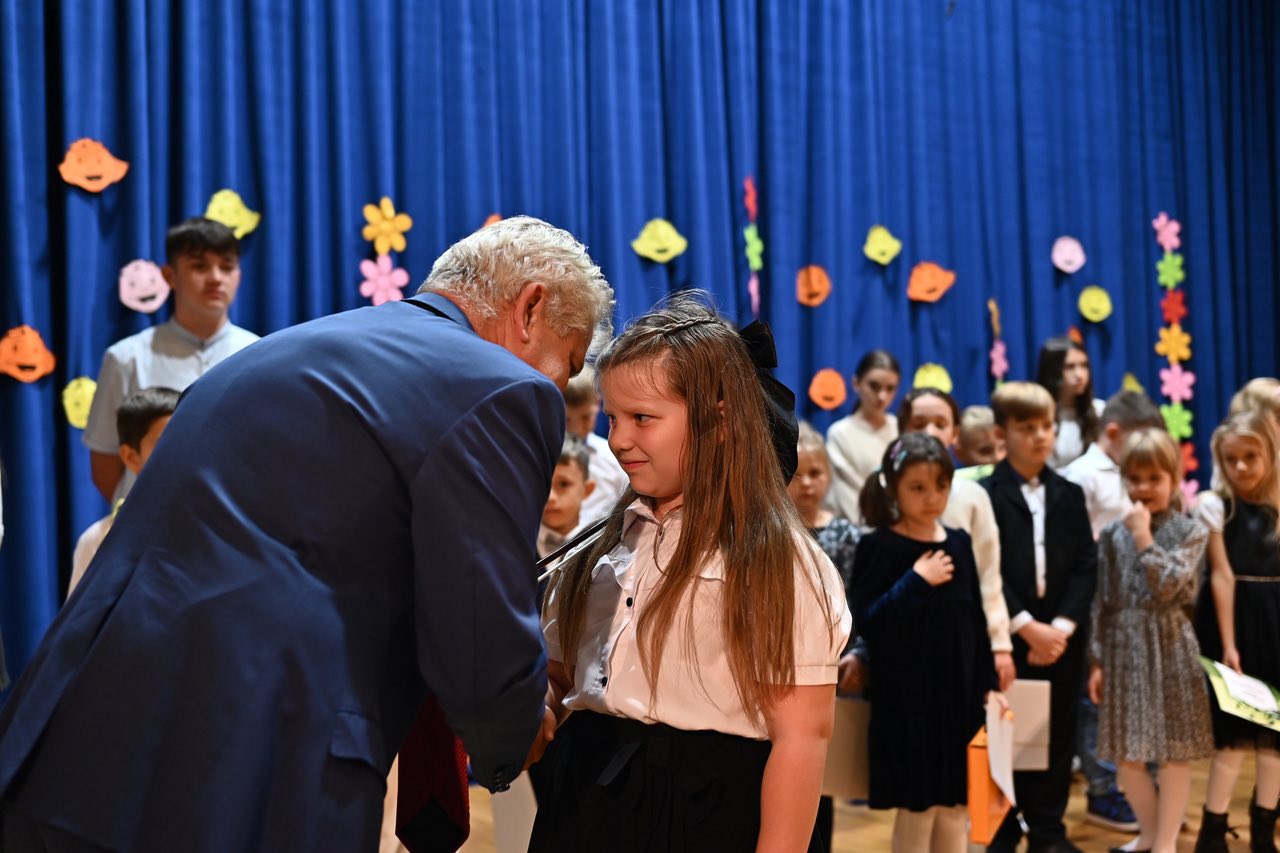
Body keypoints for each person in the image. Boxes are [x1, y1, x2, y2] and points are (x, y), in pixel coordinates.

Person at [0, 216, 614, 852]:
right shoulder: (502, 386)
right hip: (242, 770)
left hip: (66, 737)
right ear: (530, 307)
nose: (559, 388)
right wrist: (514, 723)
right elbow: (477, 612)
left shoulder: (274, 350)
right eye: (568, 364)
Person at [531, 293, 850, 852]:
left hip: (709, 813)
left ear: (716, 421)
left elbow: (801, 739)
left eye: (642, 418)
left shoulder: (782, 563)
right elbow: (562, 678)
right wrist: (535, 712)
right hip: (586, 799)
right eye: (612, 417)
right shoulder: (595, 548)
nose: (618, 439)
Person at [853, 432, 1002, 853]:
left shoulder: (959, 542)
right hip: (908, 704)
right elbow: (868, 621)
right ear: (893, 488)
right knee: (917, 809)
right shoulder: (878, 546)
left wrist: (989, 685)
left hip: (959, 701)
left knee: (956, 806)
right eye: (917, 487)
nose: (932, 497)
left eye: (941, 485)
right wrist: (915, 582)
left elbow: (975, 621)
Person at [982, 381, 1097, 853]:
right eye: (1026, 427)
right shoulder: (986, 493)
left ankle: (1048, 829)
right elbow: (988, 568)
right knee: (1006, 730)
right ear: (1001, 433)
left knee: (1057, 731)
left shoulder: (1070, 492)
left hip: (1061, 638)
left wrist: (1061, 629)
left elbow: (1086, 563)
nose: (1039, 436)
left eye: (1046, 426)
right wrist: (1026, 626)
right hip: (1012, 635)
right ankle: (1004, 828)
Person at [1087, 428, 1212, 853]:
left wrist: (1143, 537)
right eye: (1134, 478)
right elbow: (1102, 600)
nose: (1143, 488)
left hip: (1169, 645)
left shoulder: (1190, 531)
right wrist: (1097, 660)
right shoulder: (1111, 534)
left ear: (1174, 478)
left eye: (1154, 478)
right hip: (1124, 648)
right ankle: (1151, 833)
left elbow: (1170, 587)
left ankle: (1165, 844)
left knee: (1172, 751)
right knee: (1128, 756)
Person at [83, 217, 259, 503]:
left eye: (227, 267)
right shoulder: (126, 357)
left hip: (235, 521)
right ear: (169, 276)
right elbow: (105, 460)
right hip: (150, 523)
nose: (216, 278)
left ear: (239, 276)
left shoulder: (259, 354)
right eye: (199, 266)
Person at [1061, 390, 1165, 833]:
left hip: (1136, 605)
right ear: (1115, 432)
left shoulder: (1131, 474)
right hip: (1095, 600)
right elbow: (1070, 543)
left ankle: (1141, 790)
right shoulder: (1081, 476)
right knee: (1095, 699)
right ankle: (1103, 789)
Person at [1192, 410, 1280, 853]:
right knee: (1233, 739)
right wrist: (1229, 645)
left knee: (1275, 742)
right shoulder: (1215, 506)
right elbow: (1222, 576)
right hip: (1235, 627)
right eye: (1231, 459)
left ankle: (1264, 830)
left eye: (1251, 456)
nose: (1241, 467)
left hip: (1276, 627)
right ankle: (1213, 830)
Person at [897, 388, 1015, 691]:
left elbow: (988, 576)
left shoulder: (973, 496)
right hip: (898, 640)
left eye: (940, 424)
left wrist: (1000, 644)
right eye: (918, 423)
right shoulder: (882, 489)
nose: (930, 432)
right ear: (901, 429)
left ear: (955, 433)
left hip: (960, 642)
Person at [788, 420, 863, 850]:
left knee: (824, 779)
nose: (807, 484)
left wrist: (858, 654)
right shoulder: (769, 534)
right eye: (797, 474)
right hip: (781, 669)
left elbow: (860, 601)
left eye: (816, 473)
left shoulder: (845, 535)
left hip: (831, 671)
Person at [69, 387, 181, 597]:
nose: (180, 452)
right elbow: (84, 617)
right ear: (130, 456)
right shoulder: (100, 540)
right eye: (165, 443)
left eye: (186, 439)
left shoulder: (218, 526)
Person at [826, 349, 901, 521]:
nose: (882, 396)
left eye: (890, 388)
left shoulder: (899, 428)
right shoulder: (840, 433)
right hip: (860, 525)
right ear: (856, 383)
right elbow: (847, 492)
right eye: (874, 386)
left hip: (899, 524)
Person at [563, 366, 628, 525]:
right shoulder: (541, 458)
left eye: (586, 418)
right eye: (567, 420)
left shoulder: (614, 459)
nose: (577, 430)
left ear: (598, 405)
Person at [1036, 336, 1104, 470]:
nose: (1080, 375)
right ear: (1052, 371)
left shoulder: (1100, 411)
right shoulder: (1036, 415)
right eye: (1069, 367)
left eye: (1084, 365)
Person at [537, 435, 596, 559]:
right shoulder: (515, 543)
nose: (551, 497)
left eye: (563, 484)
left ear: (587, 490)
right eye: (543, 484)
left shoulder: (598, 543)